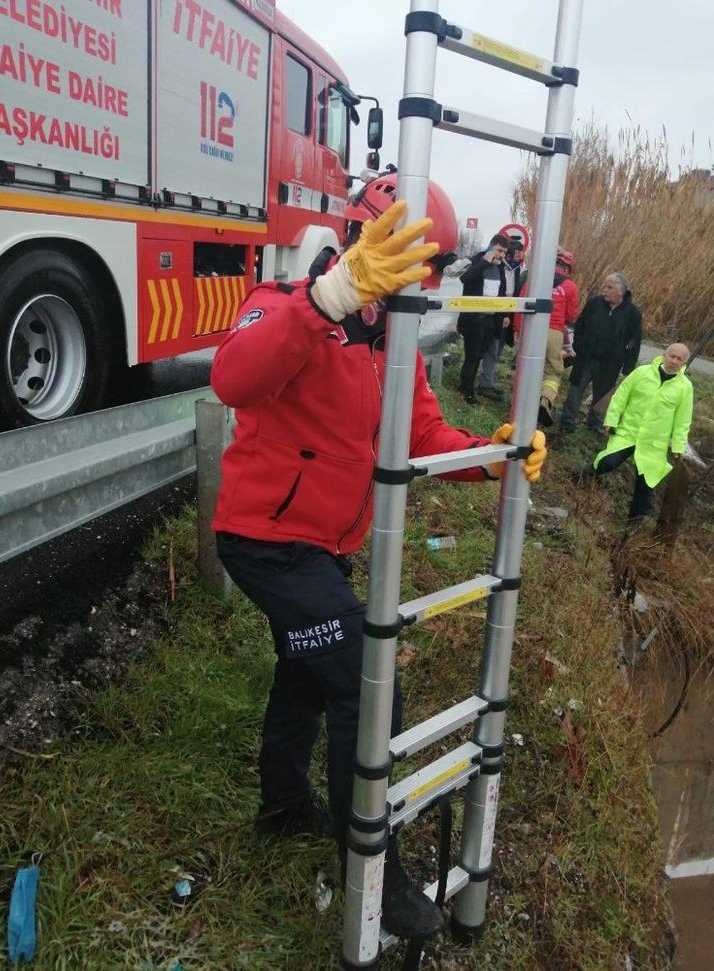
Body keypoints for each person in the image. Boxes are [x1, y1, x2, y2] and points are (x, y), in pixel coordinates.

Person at [210, 180, 547, 941]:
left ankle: (281, 799)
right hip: (265, 540)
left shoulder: (392, 348)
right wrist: (330, 297)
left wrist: (494, 455)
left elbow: (422, 435)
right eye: (398, 272)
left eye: (422, 280)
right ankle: (372, 868)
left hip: (322, 548)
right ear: (363, 246)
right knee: (367, 676)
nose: (411, 296)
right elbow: (232, 374)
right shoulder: (290, 302)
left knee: (307, 665)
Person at [583, 343, 693, 521]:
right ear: (664, 355)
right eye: (672, 356)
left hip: (654, 445)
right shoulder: (642, 373)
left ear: (683, 363)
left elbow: (683, 420)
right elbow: (620, 397)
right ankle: (583, 474)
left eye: (679, 359)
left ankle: (634, 525)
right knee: (607, 461)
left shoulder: (684, 387)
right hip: (628, 433)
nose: (674, 361)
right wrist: (611, 420)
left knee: (645, 485)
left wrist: (678, 447)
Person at [560, 272, 642, 432]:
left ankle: (595, 424)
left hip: (611, 362)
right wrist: (579, 346)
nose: (605, 290)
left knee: (603, 394)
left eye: (609, 287)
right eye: (605, 286)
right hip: (586, 356)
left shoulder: (632, 313)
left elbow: (635, 341)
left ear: (621, 291)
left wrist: (628, 366)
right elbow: (580, 324)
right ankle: (567, 421)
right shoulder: (595, 303)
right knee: (575, 389)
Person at [457, 233, 509, 404]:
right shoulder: (477, 260)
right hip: (473, 318)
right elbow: (465, 278)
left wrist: (503, 316)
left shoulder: (500, 267)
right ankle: (467, 392)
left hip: (490, 319)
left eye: (504, 252)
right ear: (490, 246)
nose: (501, 255)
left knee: (479, 355)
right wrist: (485, 261)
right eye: (499, 250)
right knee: (472, 355)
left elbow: (501, 294)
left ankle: (467, 386)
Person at [478, 238, 525, 400]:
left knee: (498, 347)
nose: (520, 257)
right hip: (498, 310)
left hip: (510, 310)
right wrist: (504, 313)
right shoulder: (499, 267)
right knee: (492, 346)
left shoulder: (517, 269)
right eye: (518, 254)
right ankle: (485, 383)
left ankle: (487, 380)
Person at [537, 249, 580, 426]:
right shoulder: (570, 286)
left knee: (526, 366)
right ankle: (545, 400)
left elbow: (523, 298)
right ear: (568, 268)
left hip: (531, 328)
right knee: (553, 371)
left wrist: (517, 328)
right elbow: (571, 316)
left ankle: (519, 403)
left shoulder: (538, 279)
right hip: (554, 331)